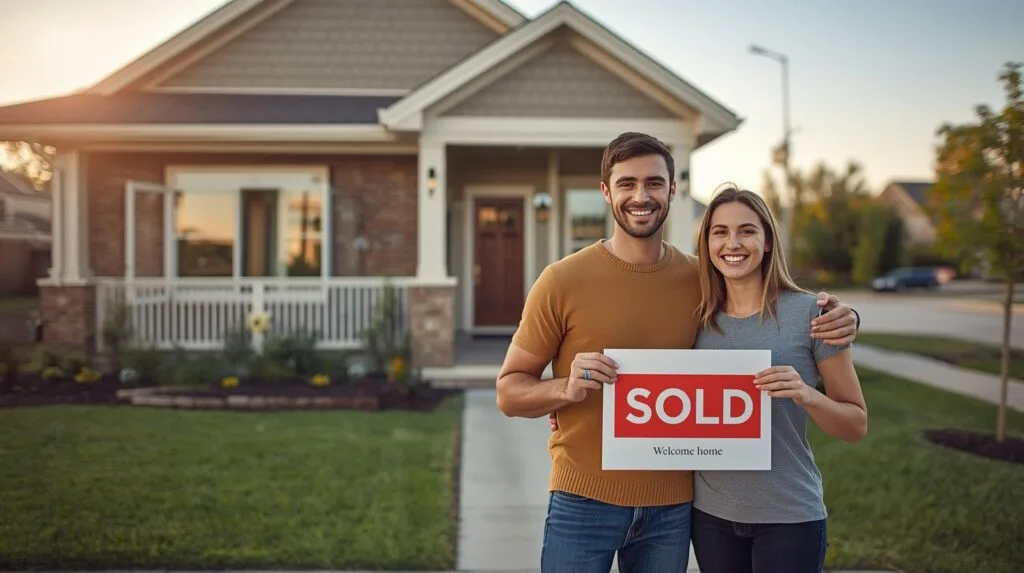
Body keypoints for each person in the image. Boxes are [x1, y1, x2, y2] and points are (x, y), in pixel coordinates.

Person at [495, 131, 860, 573]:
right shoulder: (560, 281)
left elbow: (760, 306)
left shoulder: (701, 281)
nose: (641, 196)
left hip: (672, 509)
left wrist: (845, 316)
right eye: (627, 183)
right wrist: (563, 391)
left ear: (672, 190)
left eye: (654, 182)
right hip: (583, 500)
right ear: (606, 191)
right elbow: (510, 392)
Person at [686, 186, 867, 573]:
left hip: (789, 516)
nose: (733, 243)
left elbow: (855, 425)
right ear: (707, 243)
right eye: (720, 232)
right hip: (710, 517)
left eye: (747, 231)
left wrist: (806, 395)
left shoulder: (812, 314)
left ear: (767, 241)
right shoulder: (694, 319)